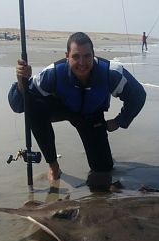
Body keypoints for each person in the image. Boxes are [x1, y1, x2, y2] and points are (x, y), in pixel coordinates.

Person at [8, 32, 146, 189]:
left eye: (87, 56)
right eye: (76, 56)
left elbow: (138, 96)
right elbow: (18, 105)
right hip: (62, 107)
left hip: (91, 116)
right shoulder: (53, 73)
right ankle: (53, 165)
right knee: (32, 106)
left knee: (103, 169)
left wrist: (119, 121)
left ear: (94, 55)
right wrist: (21, 81)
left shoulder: (110, 72)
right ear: (67, 56)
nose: (82, 63)